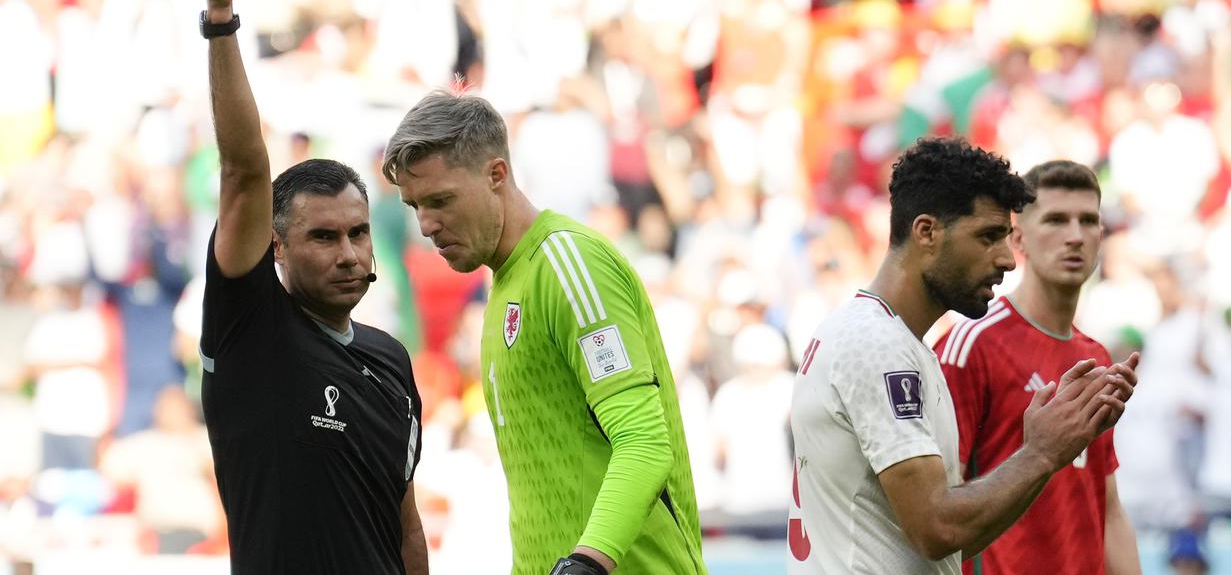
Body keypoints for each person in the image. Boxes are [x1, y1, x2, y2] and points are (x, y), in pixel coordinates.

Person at [382, 90, 706, 575]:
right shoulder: (503, 289)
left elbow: (644, 443)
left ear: (497, 175)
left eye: (441, 200)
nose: (427, 224)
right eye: (415, 207)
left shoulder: (567, 265)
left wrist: (586, 563)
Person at [787, 137, 1138, 574]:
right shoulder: (878, 344)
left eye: (1089, 221)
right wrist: (1042, 453)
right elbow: (938, 529)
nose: (1008, 260)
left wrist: (1042, 454)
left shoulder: (898, 342)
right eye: (988, 237)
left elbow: (953, 541)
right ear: (927, 232)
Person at [193, 0, 427, 575]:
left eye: (356, 233)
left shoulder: (391, 362)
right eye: (322, 237)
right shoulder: (251, 329)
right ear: (276, 249)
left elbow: (406, 527)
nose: (348, 252)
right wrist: (221, 18)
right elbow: (243, 170)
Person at [933, 160, 1141, 574]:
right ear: (1018, 237)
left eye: (1088, 221)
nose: (1075, 236)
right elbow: (939, 507)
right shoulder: (972, 343)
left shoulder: (1096, 358)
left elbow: (1108, 505)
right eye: (1056, 220)